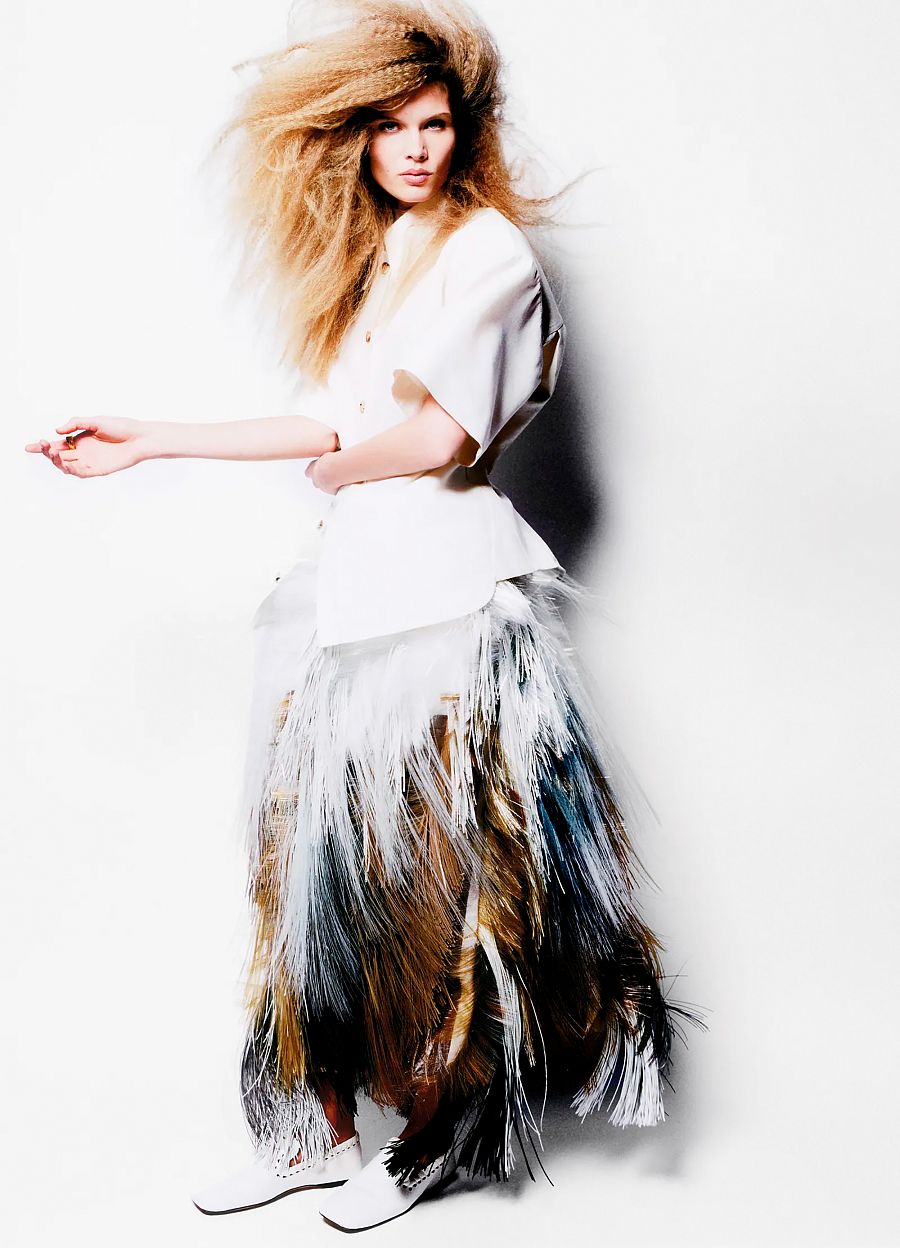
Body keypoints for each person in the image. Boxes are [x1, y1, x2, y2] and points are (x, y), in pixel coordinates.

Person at [25, 0, 695, 1232]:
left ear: (465, 128)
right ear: (356, 140)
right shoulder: (387, 250)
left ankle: (439, 1139)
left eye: (435, 124)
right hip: (347, 601)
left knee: (435, 894)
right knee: (303, 878)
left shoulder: (492, 252)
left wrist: (339, 470)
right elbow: (333, 418)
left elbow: (437, 439)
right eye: (391, 128)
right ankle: (313, 1136)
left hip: (449, 606)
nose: (416, 148)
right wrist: (151, 439)